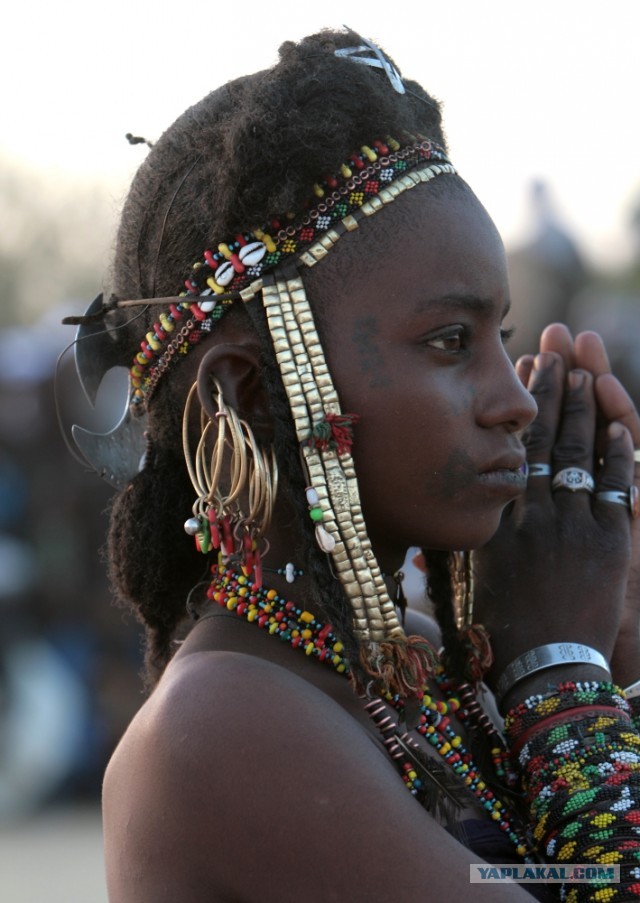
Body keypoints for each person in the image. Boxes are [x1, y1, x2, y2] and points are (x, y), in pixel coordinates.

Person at [65, 29, 640, 901]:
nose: (514, 399)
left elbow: (550, 874)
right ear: (251, 392)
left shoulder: (406, 671)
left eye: (503, 338)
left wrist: (613, 649)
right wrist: (559, 677)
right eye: (452, 340)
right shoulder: (223, 726)